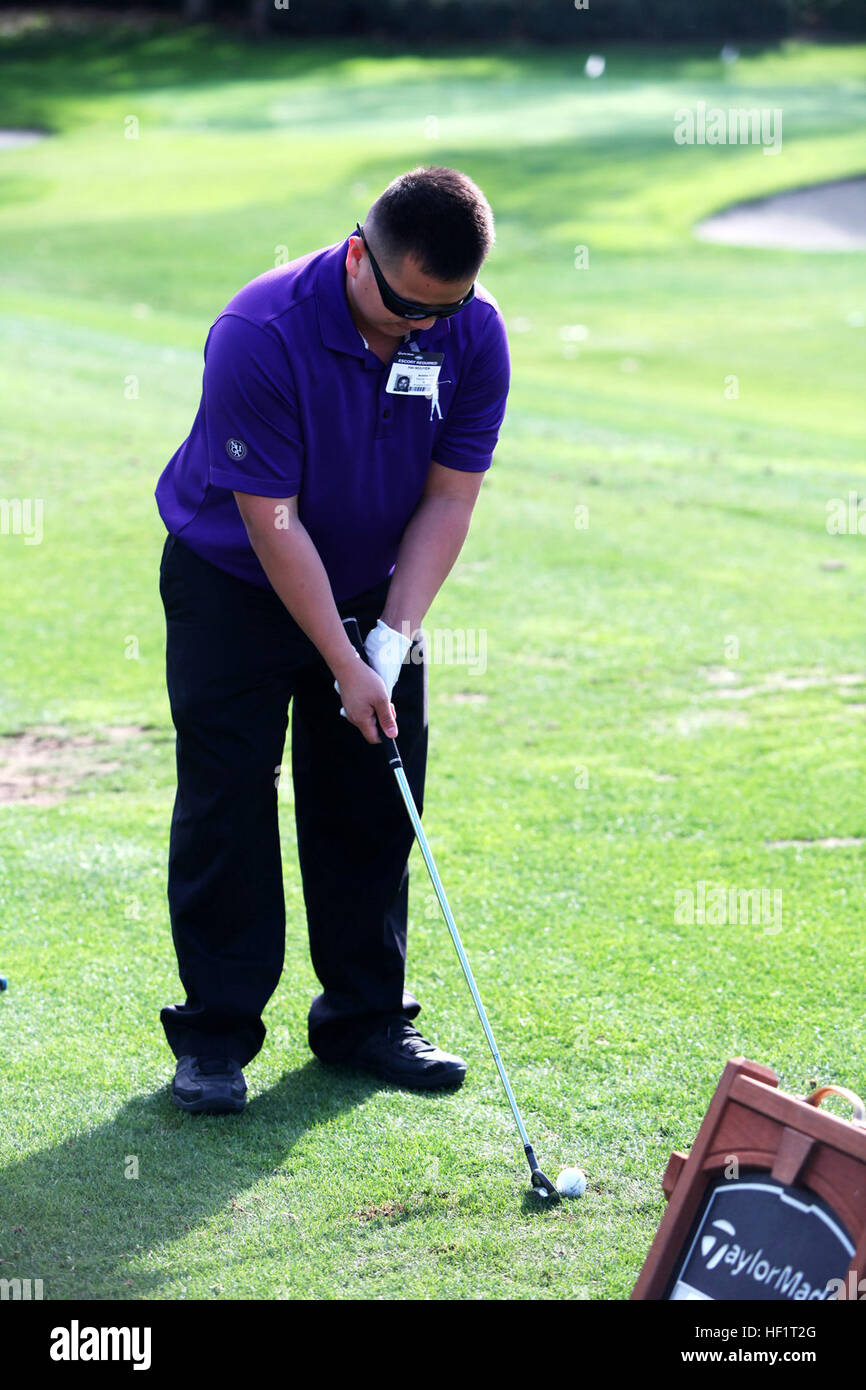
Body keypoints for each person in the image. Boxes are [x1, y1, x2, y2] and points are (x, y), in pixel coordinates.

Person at [154, 165, 510, 1114]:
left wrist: (390, 639)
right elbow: (271, 523)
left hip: (369, 583)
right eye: (407, 310)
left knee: (373, 791)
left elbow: (450, 495)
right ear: (361, 256)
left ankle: (365, 1019)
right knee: (228, 796)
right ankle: (217, 1035)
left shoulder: (468, 327)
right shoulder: (259, 333)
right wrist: (342, 662)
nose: (424, 328)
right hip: (231, 581)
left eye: (446, 309)